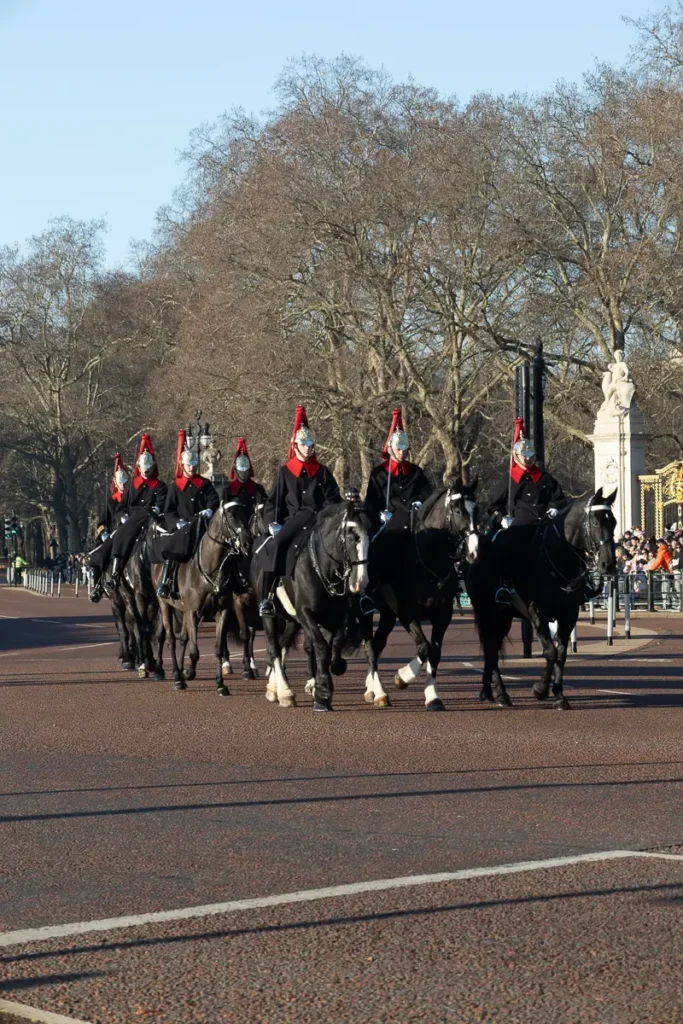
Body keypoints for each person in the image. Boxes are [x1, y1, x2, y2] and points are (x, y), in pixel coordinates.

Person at [258, 405, 341, 616]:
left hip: (319, 520)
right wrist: (272, 523)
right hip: (293, 521)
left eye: (310, 444)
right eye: (304, 444)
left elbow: (333, 499)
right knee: (275, 545)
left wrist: (327, 514)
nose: (307, 448)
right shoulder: (284, 473)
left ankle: (353, 596)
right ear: (295, 446)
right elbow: (273, 503)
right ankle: (267, 598)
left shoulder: (322, 472)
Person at [156, 429, 220, 598]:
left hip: (202, 524)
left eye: (194, 465)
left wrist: (209, 509)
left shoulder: (204, 484)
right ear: (182, 465)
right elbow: (168, 510)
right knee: (174, 549)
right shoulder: (175, 487)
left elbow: (214, 499)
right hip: (183, 526)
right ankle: (166, 581)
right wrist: (177, 522)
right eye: (189, 465)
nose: (192, 468)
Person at [109, 434, 168, 587]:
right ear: (139, 467)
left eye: (149, 468)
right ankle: (116, 571)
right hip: (133, 520)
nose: (146, 471)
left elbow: (162, 502)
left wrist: (157, 508)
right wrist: (123, 517)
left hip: (152, 519)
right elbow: (121, 507)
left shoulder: (160, 486)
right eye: (144, 467)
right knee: (120, 536)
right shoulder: (131, 485)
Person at [488, 418, 565, 529]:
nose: (528, 458)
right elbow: (494, 507)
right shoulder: (508, 479)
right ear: (516, 456)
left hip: (542, 526)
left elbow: (559, 499)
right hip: (516, 528)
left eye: (530, 455)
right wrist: (502, 519)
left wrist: (554, 508)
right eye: (524, 455)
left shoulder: (544, 478)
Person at [364, 409, 432, 531]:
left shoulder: (416, 472)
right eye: (398, 449)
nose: (402, 453)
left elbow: (427, 495)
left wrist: (420, 502)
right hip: (388, 526)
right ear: (391, 449)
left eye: (404, 449)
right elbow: (371, 503)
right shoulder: (378, 474)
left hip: (414, 524)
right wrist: (380, 514)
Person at [89, 453, 130, 603]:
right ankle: (98, 587)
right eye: (121, 483)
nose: (123, 485)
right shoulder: (111, 501)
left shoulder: (133, 498)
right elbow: (101, 523)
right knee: (99, 557)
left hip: (132, 533)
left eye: (125, 482)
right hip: (114, 535)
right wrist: (104, 533)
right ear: (116, 484)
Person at [222, 437, 268, 520]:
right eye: (241, 470)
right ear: (236, 470)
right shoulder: (228, 491)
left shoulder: (258, 489)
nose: (243, 474)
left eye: (245, 470)